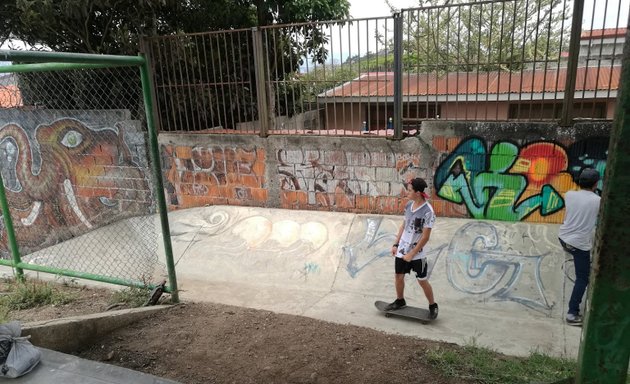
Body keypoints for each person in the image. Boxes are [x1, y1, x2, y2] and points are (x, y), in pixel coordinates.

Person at [385, 177, 438, 319]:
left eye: (409, 190)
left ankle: (433, 305)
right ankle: (400, 300)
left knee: (422, 280)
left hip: (417, 253)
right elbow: (404, 225)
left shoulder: (428, 212)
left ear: (418, 192)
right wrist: (396, 244)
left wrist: (412, 254)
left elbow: (425, 237)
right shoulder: (408, 205)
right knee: (398, 276)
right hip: (403, 249)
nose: (406, 192)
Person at [558, 168, 601, 326]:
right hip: (579, 245)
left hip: (562, 238)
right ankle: (572, 313)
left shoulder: (569, 195)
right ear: (595, 184)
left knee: (576, 251)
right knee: (583, 278)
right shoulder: (598, 201)